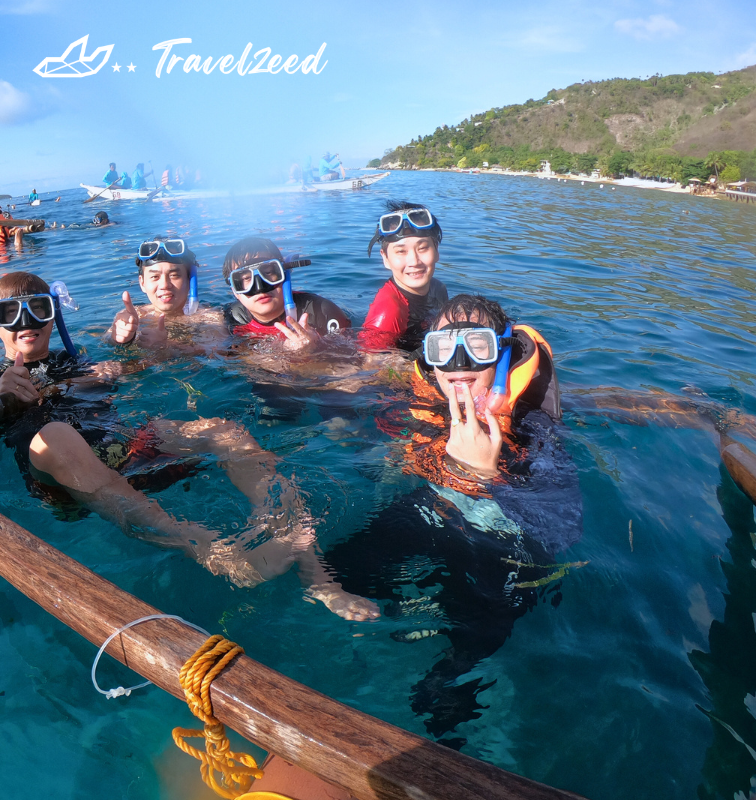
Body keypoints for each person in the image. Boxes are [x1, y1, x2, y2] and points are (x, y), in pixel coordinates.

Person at [0, 272, 376, 618]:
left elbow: (139, 371)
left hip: (123, 450)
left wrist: (131, 349)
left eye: (39, 310)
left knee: (224, 430)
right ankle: (221, 556)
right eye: (11, 314)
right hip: (68, 481)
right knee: (56, 435)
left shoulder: (77, 359)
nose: (26, 323)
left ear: (53, 315)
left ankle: (313, 570)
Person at [323, 293, 579, 747]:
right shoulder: (428, 407)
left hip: (499, 538)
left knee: (477, 633)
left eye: (476, 346)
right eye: (444, 348)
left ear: (502, 354)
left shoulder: (533, 428)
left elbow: (559, 528)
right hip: (435, 507)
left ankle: (454, 683)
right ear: (430, 361)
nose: (458, 360)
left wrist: (483, 478)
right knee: (335, 571)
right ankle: (417, 608)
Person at [222, 237, 351, 353]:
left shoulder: (321, 313)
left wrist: (316, 349)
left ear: (285, 274)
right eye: (246, 279)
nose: (260, 287)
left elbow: (357, 368)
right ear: (235, 291)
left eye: (268, 272)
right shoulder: (233, 318)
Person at [359, 200, 449, 353]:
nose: (414, 261)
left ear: (437, 251)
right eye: (401, 251)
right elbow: (369, 367)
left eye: (423, 248)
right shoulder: (389, 310)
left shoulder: (438, 288)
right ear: (385, 258)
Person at [105, 236, 213, 348]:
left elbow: (217, 352)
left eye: (174, 275)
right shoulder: (134, 316)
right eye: (155, 277)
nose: (164, 285)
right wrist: (117, 339)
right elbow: (105, 343)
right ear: (142, 283)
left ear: (189, 279)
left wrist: (165, 347)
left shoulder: (210, 319)